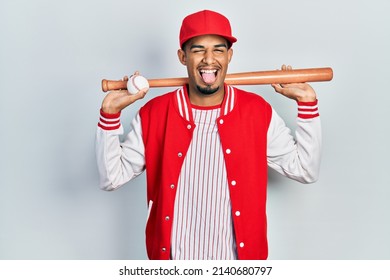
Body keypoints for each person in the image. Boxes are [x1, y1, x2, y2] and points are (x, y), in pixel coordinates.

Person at [95, 10, 321, 260]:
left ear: (229, 56)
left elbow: (305, 170)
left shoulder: (257, 112)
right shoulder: (155, 114)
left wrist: (307, 103)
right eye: (198, 49)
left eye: (219, 50)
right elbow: (111, 178)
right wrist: (109, 113)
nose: (209, 59)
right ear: (182, 57)